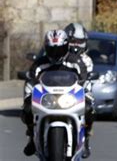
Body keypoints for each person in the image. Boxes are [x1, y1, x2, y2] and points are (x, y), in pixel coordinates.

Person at [21, 29, 94, 159]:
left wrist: (86, 90)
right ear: (46, 48)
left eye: (59, 49)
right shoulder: (40, 63)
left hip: (69, 97)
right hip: (48, 98)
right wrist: (28, 96)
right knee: (27, 108)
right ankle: (32, 137)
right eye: (51, 49)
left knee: (89, 108)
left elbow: (84, 79)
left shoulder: (76, 61)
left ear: (66, 46)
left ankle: (86, 138)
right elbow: (31, 79)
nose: (55, 53)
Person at [64, 22, 95, 158]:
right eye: (73, 41)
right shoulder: (59, 57)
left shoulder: (87, 60)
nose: (76, 45)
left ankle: (86, 137)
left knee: (90, 108)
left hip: (79, 93)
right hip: (59, 93)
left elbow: (87, 80)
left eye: (80, 41)